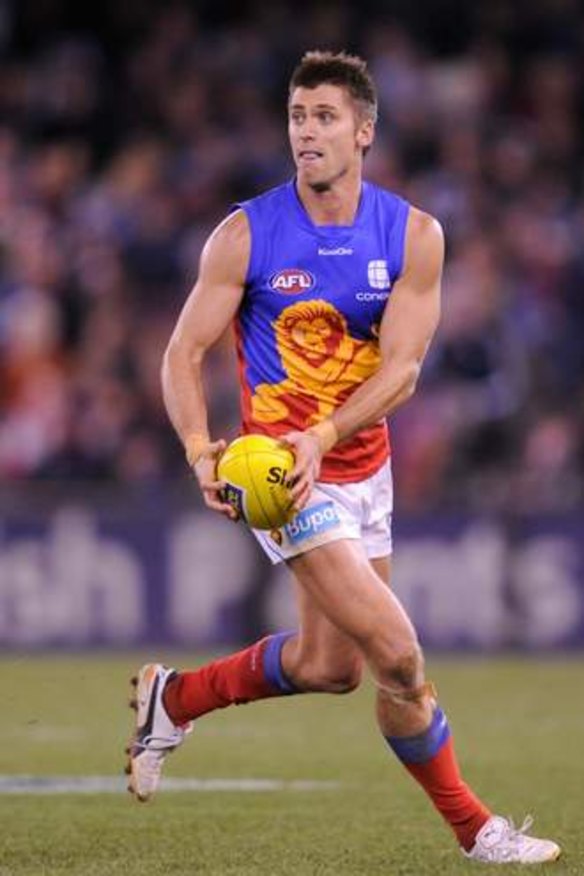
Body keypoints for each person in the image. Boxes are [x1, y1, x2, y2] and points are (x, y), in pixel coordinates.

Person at [125, 50, 560, 865]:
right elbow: (182, 353)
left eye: (325, 117)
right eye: (297, 116)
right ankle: (478, 831)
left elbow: (402, 371)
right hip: (280, 477)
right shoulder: (246, 233)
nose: (307, 132)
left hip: (359, 467)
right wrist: (198, 452)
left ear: (364, 131)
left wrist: (326, 436)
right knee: (399, 655)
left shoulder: (413, 235)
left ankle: (172, 698)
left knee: (334, 668)